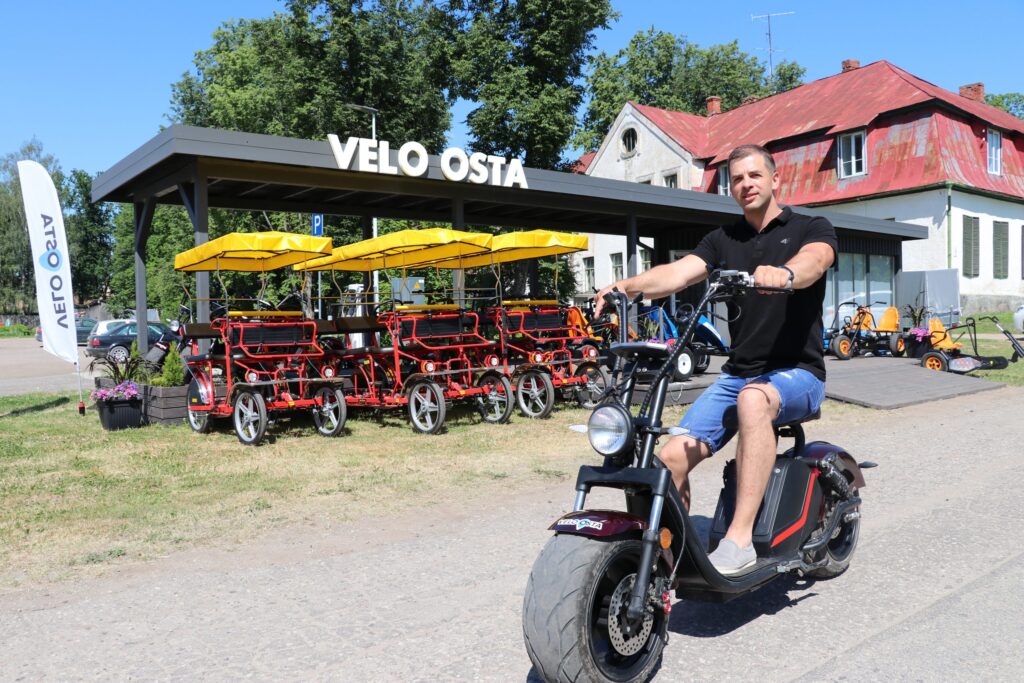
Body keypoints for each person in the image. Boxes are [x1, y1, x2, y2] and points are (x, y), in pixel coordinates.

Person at [594, 144, 837, 575]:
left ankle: (739, 540)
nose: (746, 184)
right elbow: (676, 273)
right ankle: (674, 551)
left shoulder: (808, 226)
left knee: (753, 401)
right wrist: (626, 286)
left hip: (798, 373)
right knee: (668, 459)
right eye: (738, 178)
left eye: (755, 175)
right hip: (737, 376)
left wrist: (785, 274)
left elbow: (816, 260)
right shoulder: (722, 240)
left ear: (774, 179)